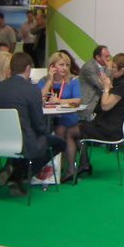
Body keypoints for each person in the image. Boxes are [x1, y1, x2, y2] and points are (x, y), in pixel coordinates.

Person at [0, 53, 66, 197]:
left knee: (32, 139)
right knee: (59, 143)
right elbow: (38, 124)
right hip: (23, 141)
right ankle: (18, 175)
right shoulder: (32, 90)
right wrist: (46, 133)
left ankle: (12, 168)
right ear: (28, 68)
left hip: (0, 140)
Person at [77, 53, 124, 176]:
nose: (111, 69)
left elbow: (105, 106)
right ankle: (83, 164)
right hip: (118, 126)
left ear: (122, 70)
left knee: (70, 131)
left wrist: (105, 88)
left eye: (114, 67)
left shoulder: (123, 85)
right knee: (76, 128)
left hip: (110, 130)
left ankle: (82, 164)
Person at [38, 52, 82, 183]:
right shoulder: (43, 81)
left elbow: (77, 100)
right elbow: (38, 98)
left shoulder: (73, 81)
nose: (65, 68)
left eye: (67, 65)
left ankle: (68, 169)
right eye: (61, 65)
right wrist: (49, 80)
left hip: (67, 116)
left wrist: (59, 101)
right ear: (52, 66)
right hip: (47, 118)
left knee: (61, 129)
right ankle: (55, 167)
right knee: (51, 129)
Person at [79, 45, 111, 120]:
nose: (109, 59)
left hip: (99, 97)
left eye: (109, 56)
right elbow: (101, 86)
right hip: (89, 100)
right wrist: (109, 69)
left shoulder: (104, 66)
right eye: (106, 57)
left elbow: (109, 83)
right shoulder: (89, 67)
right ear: (97, 57)